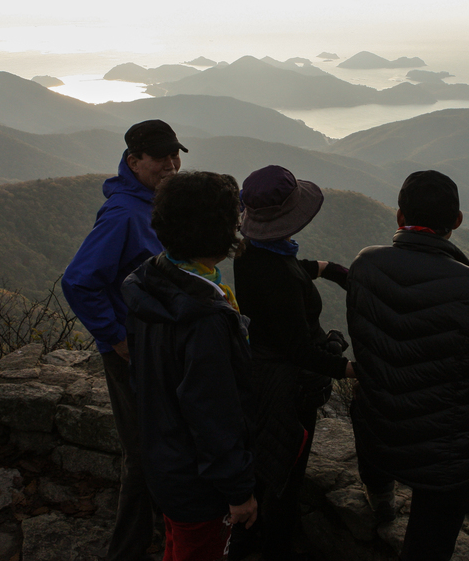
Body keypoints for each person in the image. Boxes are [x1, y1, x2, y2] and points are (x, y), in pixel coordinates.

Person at [346, 170, 469, 561]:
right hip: (446, 451)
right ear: (456, 222)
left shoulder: (365, 265)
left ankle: (382, 501)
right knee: (428, 547)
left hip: (377, 425)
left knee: (375, 446)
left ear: (399, 217)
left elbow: (368, 345)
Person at [61, 119, 187, 561]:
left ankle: (160, 527)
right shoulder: (123, 215)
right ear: (134, 161)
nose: (171, 164)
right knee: (143, 450)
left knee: (158, 442)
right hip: (133, 351)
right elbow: (78, 281)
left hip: (154, 345)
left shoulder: (152, 202)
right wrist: (116, 339)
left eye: (175, 155)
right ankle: (128, 549)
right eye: (160, 157)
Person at [122, 171, 258, 561]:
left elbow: (144, 375)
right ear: (222, 234)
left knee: (178, 544)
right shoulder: (205, 318)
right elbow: (213, 412)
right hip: (199, 483)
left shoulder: (151, 281)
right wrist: (239, 491)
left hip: (165, 459)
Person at [231, 165, 355, 560]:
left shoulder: (251, 252)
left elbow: (282, 275)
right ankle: (271, 548)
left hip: (263, 376)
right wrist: (353, 369)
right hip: (289, 390)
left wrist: (326, 269)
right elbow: (300, 350)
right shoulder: (274, 268)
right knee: (283, 481)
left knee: (270, 474)